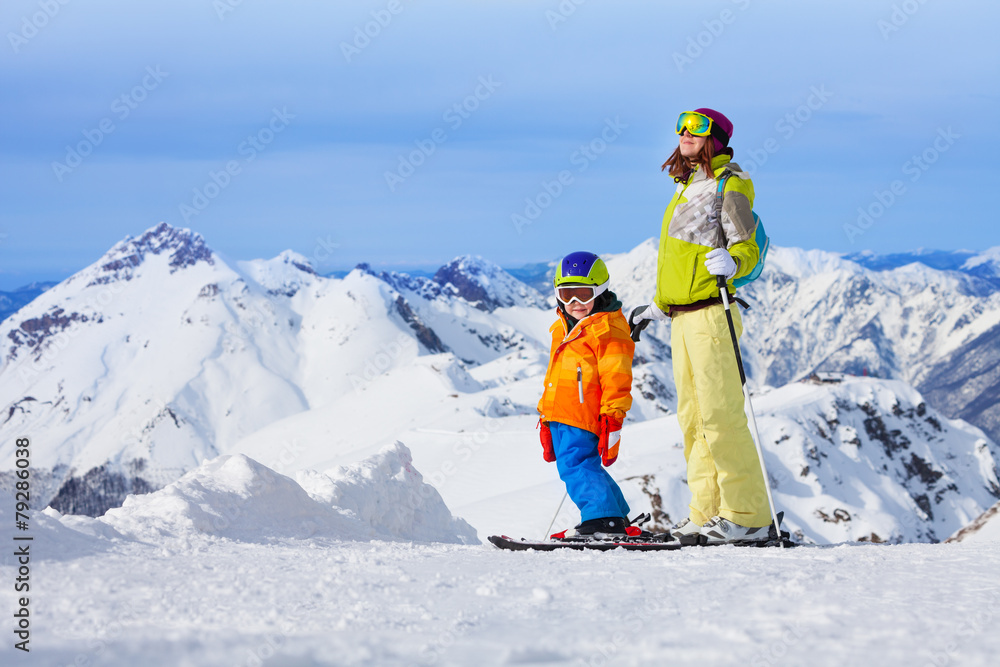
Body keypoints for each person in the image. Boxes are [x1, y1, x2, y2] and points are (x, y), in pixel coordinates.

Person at [629, 108, 772, 544]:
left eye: (697, 127)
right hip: (682, 318)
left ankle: (747, 515)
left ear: (717, 138)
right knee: (693, 419)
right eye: (682, 126)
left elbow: (750, 246)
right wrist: (657, 307)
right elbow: (684, 263)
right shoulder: (687, 186)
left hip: (713, 314)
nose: (685, 133)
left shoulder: (729, 186)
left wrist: (737, 263)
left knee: (720, 415)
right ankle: (707, 512)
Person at [537, 251, 635, 536]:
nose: (574, 303)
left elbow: (617, 376)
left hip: (583, 414)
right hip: (561, 413)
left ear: (600, 291)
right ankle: (615, 515)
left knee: (575, 465)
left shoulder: (608, 330)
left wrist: (613, 416)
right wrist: (545, 415)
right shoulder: (561, 327)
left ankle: (602, 518)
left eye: (583, 294)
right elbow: (553, 375)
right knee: (584, 463)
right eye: (566, 295)